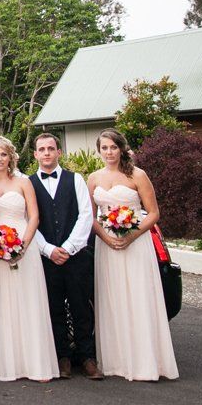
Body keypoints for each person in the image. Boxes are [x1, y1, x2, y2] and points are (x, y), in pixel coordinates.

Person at [89, 129, 179, 381]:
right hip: (106, 247)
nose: (109, 152)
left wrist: (130, 235)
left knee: (138, 297)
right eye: (104, 148)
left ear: (121, 149)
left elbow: (153, 213)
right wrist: (106, 237)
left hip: (136, 244)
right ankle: (117, 361)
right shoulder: (93, 178)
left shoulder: (138, 176)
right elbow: (89, 215)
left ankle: (145, 362)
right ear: (99, 151)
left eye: (113, 147)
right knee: (112, 299)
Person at [0, 136, 58, 382]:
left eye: (4, 154)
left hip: (24, 246)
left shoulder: (23, 183)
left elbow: (34, 217)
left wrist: (23, 244)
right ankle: (3, 364)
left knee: (28, 301)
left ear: (11, 156)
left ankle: (35, 364)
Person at [30, 133, 102, 379]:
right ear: (35, 154)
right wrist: (48, 249)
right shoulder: (29, 184)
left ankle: (88, 358)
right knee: (53, 308)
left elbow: (85, 216)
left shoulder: (75, 180)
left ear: (59, 152)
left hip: (76, 256)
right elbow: (28, 221)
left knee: (81, 307)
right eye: (42, 149)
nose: (47, 153)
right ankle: (62, 358)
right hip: (45, 258)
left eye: (51, 148)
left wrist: (69, 248)